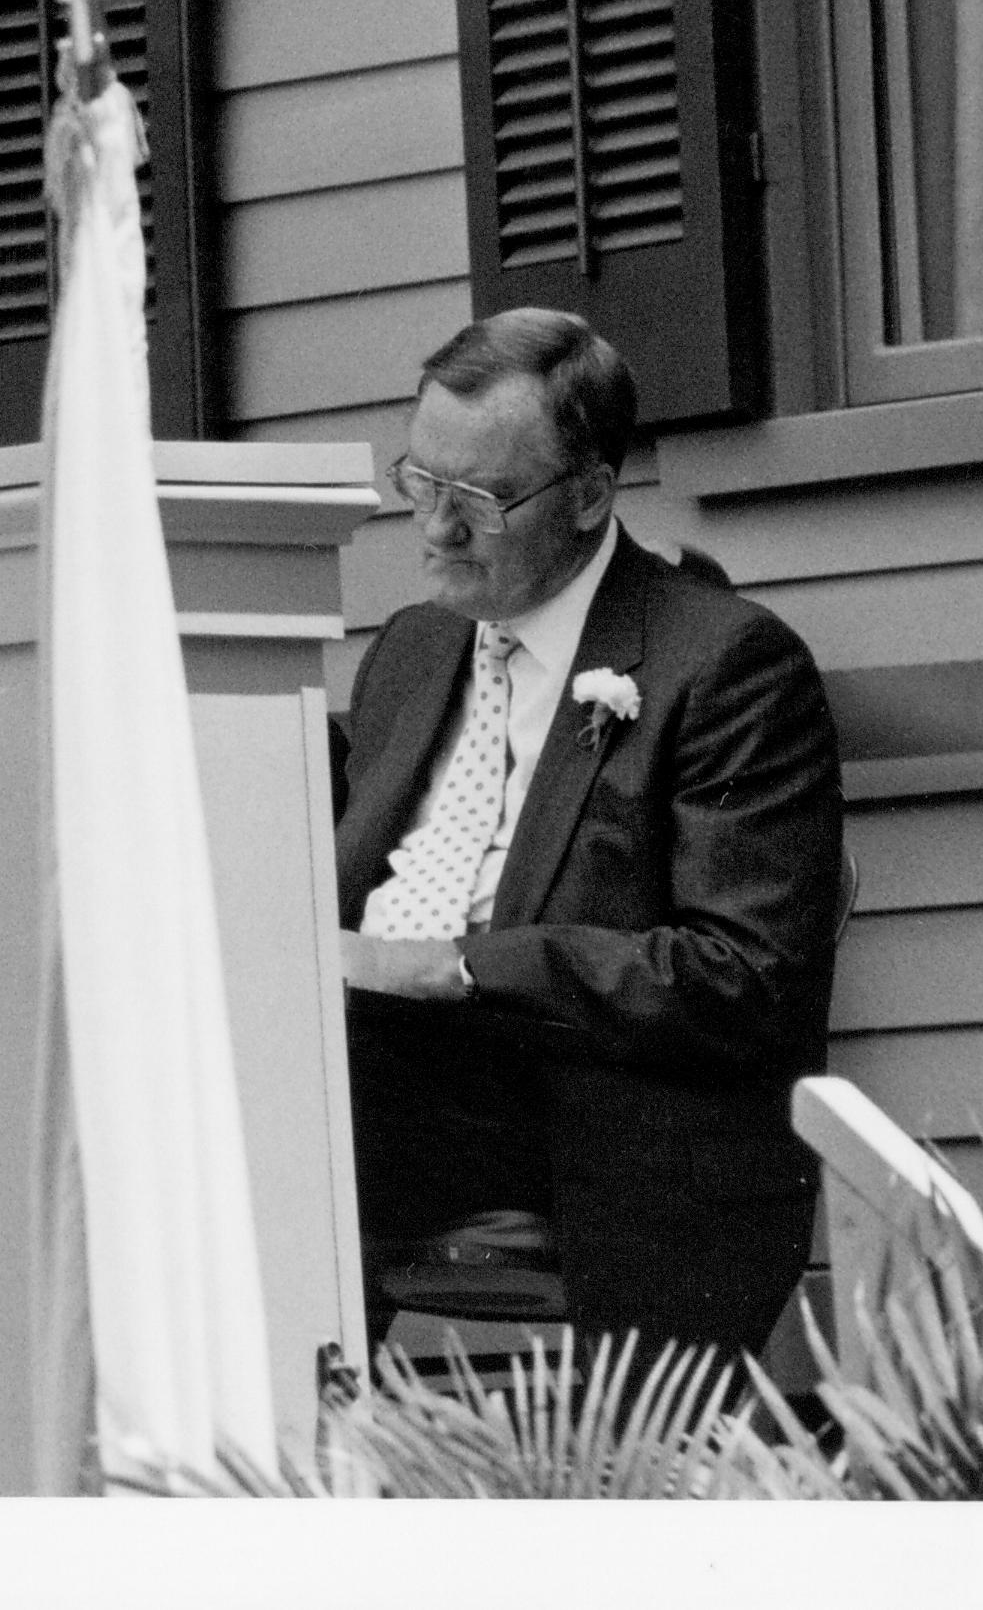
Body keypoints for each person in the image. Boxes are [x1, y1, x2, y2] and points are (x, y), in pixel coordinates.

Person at [331, 309, 844, 1366]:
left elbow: (741, 978)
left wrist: (458, 968)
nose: (435, 530)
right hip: (378, 1094)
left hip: (593, 1128)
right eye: (420, 485)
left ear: (591, 495)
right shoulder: (413, 652)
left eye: (478, 500)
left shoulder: (725, 666)